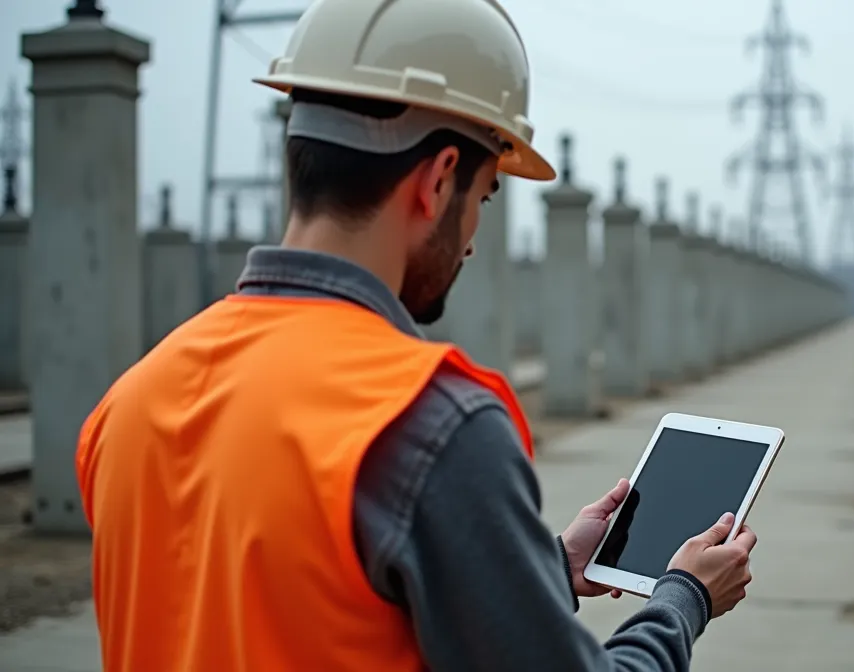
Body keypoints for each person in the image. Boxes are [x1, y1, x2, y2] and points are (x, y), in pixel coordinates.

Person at [74, 0, 759, 670]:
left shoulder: (130, 402)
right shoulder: (428, 424)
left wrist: (545, 569)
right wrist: (683, 599)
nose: (473, 238)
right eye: (486, 196)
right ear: (439, 181)